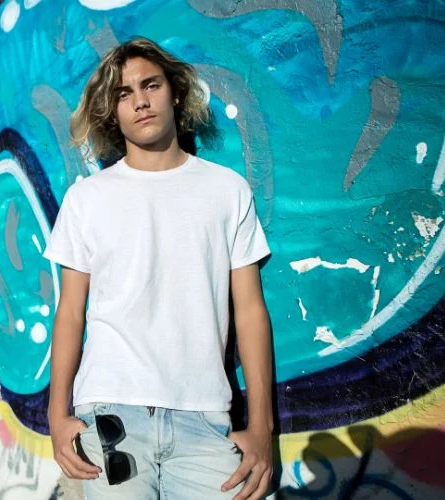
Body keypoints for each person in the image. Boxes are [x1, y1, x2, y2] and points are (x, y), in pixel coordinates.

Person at [42, 37, 274, 499]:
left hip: (205, 420)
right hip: (110, 418)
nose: (140, 102)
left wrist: (262, 427)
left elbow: (249, 310)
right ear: (113, 111)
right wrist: (56, 413)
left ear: (175, 93)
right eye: (124, 94)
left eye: (151, 85)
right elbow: (69, 311)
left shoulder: (226, 191)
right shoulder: (87, 199)